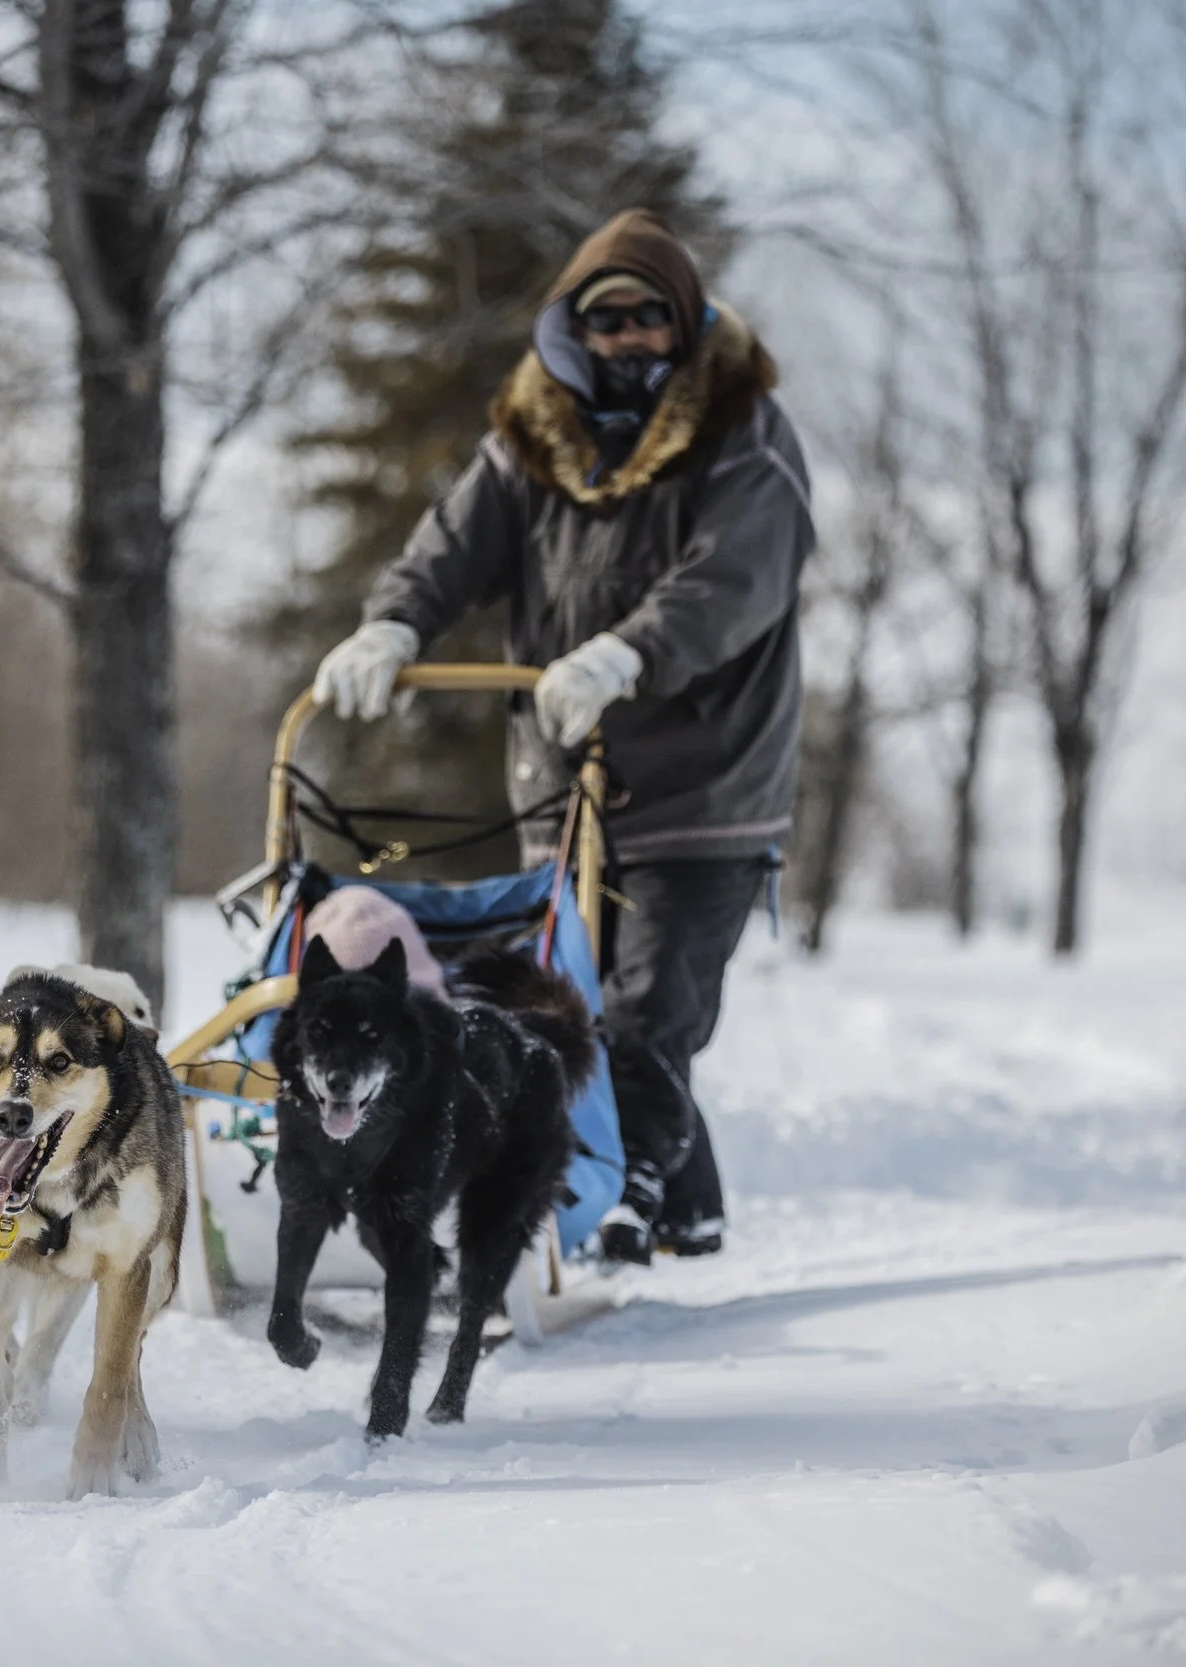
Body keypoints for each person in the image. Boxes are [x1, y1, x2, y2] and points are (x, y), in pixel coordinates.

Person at [309, 209, 813, 1264]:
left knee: (651, 1009)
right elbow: (449, 548)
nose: (626, 337)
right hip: (565, 781)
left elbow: (732, 583)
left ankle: (614, 1200)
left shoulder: (745, 437)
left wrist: (628, 652)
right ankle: (690, 1208)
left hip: (704, 782)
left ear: (680, 325)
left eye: (645, 318)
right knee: (571, 1006)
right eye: (605, 319)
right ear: (571, 332)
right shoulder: (530, 440)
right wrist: (393, 621)